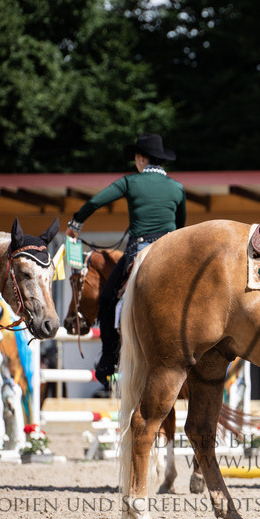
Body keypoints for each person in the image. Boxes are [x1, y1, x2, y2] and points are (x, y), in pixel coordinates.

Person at [65, 134, 186, 395]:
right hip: (171, 251)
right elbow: (181, 228)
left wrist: (76, 224)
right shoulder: (177, 188)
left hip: (139, 249)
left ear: (141, 158)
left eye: (136, 158)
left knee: (108, 298)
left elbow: (96, 201)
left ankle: (108, 359)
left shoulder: (131, 182)